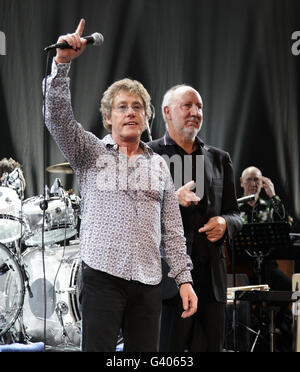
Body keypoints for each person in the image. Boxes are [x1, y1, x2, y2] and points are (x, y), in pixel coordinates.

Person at [44, 19, 197, 352]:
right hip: (102, 276)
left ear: (146, 118)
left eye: (137, 107)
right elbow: (57, 117)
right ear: (108, 117)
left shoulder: (159, 165)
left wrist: (184, 280)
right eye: (122, 107)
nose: (130, 112)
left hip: (149, 281)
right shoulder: (90, 152)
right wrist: (61, 66)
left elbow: (172, 230)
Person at [147, 84, 243, 352]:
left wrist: (225, 223)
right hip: (167, 281)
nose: (195, 112)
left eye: (199, 107)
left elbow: (235, 214)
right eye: (187, 106)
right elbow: (134, 214)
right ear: (167, 112)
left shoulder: (219, 158)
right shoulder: (149, 154)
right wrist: (170, 199)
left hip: (211, 280)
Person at [239, 166, 294, 351]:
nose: (254, 184)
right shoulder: (235, 207)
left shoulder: (268, 206)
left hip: (267, 266)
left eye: (258, 180)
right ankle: (250, 328)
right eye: (250, 180)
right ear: (241, 182)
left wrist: (273, 196)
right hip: (243, 266)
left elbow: (286, 222)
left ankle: (273, 325)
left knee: (287, 286)